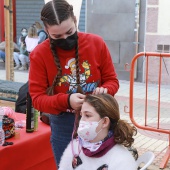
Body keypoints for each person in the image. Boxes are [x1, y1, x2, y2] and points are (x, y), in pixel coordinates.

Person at [29, 0, 119, 167]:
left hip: (99, 121)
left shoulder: (96, 43)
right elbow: (37, 99)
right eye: (57, 36)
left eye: (70, 32)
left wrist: (105, 90)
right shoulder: (40, 54)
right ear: (46, 31)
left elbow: (112, 80)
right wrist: (66, 101)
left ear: (75, 20)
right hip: (64, 124)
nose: (65, 39)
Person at [59, 94, 137, 170]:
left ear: (105, 122)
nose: (81, 121)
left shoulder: (121, 159)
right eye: (81, 115)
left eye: (88, 115)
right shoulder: (76, 146)